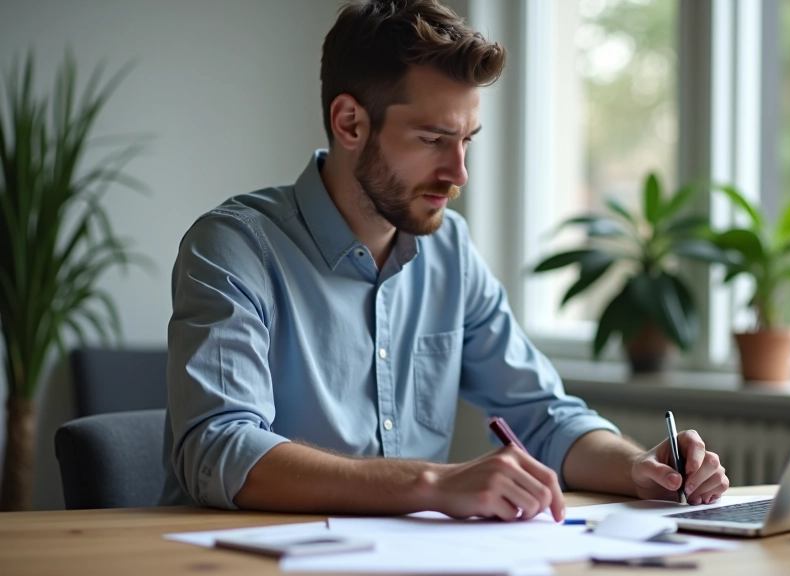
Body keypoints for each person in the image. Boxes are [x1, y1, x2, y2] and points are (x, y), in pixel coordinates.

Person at [160, 0, 728, 521]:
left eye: (467, 140)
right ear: (350, 123)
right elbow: (219, 448)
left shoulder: (449, 249)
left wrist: (636, 468)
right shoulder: (234, 246)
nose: (459, 174)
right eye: (434, 139)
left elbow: (544, 416)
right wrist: (434, 482)